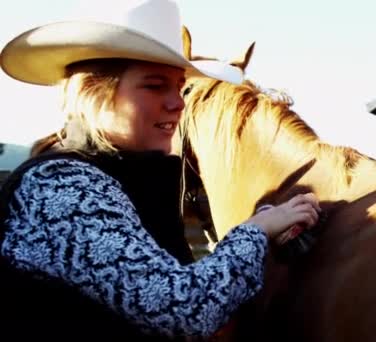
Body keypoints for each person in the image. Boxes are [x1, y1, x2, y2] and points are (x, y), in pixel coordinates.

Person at [0, 0, 320, 339]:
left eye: (179, 87)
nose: (178, 103)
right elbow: (180, 308)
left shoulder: (118, 178)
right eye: (154, 86)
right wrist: (255, 231)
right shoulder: (61, 188)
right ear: (94, 91)